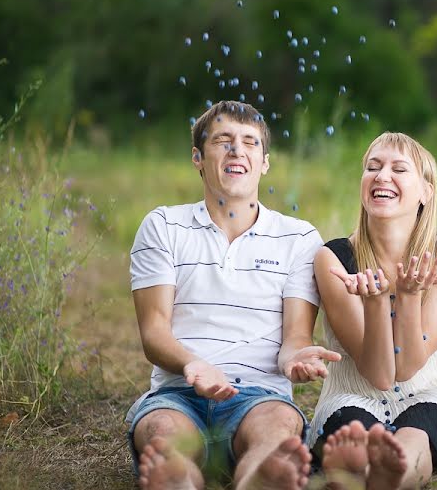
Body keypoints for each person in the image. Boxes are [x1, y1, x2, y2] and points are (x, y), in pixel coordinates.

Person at [127, 100, 341, 490]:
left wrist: (296, 359)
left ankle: (262, 476)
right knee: (162, 432)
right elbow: (154, 332)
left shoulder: (299, 238)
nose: (236, 150)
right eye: (222, 140)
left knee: (276, 431)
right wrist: (194, 366)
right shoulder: (163, 226)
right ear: (198, 157)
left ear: (264, 162)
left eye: (249, 142)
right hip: (178, 394)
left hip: (261, 397)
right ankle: (176, 478)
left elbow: (294, 338)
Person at [308, 132, 437, 489]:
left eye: (399, 169)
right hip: (355, 391)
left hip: (431, 388)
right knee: (356, 432)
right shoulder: (334, 259)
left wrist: (406, 298)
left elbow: (407, 368)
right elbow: (380, 376)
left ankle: (393, 475)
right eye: (373, 167)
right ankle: (359, 470)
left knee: (417, 434)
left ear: (426, 192)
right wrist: (375, 303)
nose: (382, 176)